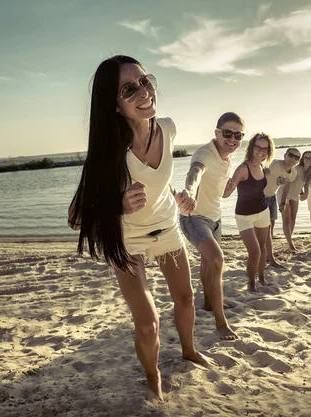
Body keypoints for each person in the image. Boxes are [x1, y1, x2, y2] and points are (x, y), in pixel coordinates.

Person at [67, 55, 211, 400]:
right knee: (148, 323)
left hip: (167, 228)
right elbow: (75, 217)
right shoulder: (108, 151)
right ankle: (152, 374)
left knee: (186, 299)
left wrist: (181, 196)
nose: (144, 92)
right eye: (129, 89)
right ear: (114, 104)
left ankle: (189, 351)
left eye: (145, 82)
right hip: (128, 241)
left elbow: (161, 181)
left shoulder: (170, 128)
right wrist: (116, 204)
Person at [179, 112, 244, 340]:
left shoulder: (227, 159)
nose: (233, 139)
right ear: (217, 132)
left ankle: (208, 303)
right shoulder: (205, 152)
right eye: (227, 133)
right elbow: (195, 172)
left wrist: (234, 184)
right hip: (193, 218)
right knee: (217, 260)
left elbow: (222, 193)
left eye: (238, 135)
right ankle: (221, 323)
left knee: (208, 264)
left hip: (215, 219)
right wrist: (188, 191)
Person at [223, 133, 275, 292]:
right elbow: (225, 194)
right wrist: (225, 183)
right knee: (254, 251)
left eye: (265, 148)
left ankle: (262, 278)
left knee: (262, 247)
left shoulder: (262, 167)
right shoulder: (242, 169)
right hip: (243, 215)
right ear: (252, 147)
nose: (261, 151)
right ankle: (251, 284)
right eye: (258, 147)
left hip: (262, 212)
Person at [263, 148, 299, 267]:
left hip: (272, 197)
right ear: (285, 155)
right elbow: (262, 173)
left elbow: (286, 187)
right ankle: (265, 254)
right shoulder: (275, 165)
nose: (292, 159)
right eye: (291, 155)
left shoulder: (293, 173)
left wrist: (283, 203)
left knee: (271, 226)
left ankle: (268, 253)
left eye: (296, 158)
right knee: (265, 227)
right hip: (260, 196)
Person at [279, 150, 311, 251]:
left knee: (293, 219)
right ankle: (291, 244)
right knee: (286, 220)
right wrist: (284, 200)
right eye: (306, 157)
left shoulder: (310, 170)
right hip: (285, 194)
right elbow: (288, 183)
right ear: (302, 159)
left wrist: (305, 193)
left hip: (294, 195)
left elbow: (306, 183)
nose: (308, 160)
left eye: (310, 158)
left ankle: (288, 239)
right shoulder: (297, 169)